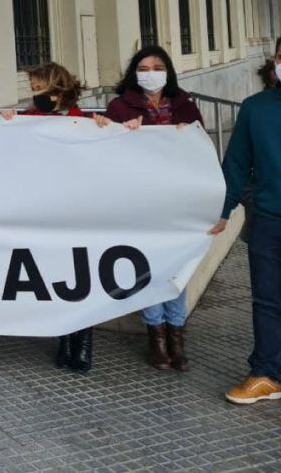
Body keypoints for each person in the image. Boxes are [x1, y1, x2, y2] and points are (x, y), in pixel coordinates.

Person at [3, 62, 110, 373]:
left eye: (41, 89)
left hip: (79, 211)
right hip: (45, 210)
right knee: (57, 275)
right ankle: (65, 337)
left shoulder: (84, 121)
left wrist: (106, 128)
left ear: (59, 90)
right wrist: (7, 122)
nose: (36, 95)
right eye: (34, 90)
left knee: (82, 275)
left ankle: (84, 340)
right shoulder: (29, 120)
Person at [105, 45, 203, 372]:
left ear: (168, 71)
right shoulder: (119, 107)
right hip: (140, 202)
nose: (150, 73)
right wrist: (123, 132)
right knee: (147, 268)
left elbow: (200, 150)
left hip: (178, 202)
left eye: (156, 66)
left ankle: (177, 337)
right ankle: (156, 338)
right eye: (143, 67)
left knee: (176, 268)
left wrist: (186, 136)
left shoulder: (185, 106)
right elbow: (105, 150)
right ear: (134, 72)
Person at [215, 35, 281, 404]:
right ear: (274, 60)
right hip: (270, 219)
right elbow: (237, 162)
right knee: (268, 300)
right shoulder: (256, 109)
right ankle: (267, 373)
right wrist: (222, 209)